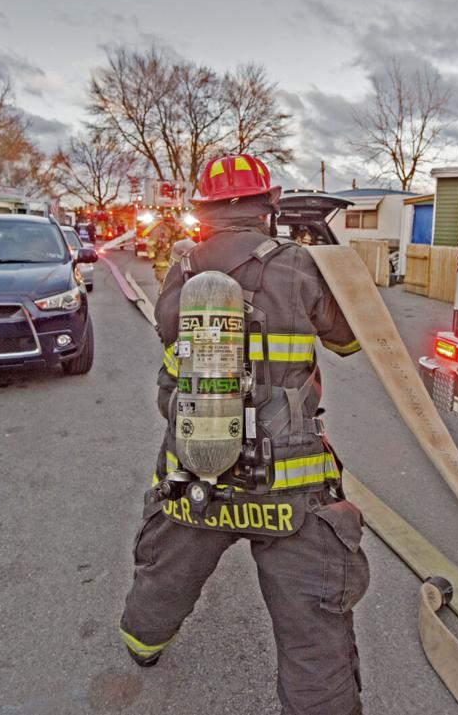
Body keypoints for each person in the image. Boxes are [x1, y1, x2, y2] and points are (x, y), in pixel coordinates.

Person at [120, 153, 367, 715]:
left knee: (165, 574)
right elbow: (350, 341)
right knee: (313, 626)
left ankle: (143, 646)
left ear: (204, 211)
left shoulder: (181, 271)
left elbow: (166, 338)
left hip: (195, 466)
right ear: (268, 207)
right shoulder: (299, 263)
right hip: (289, 480)